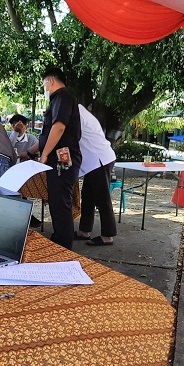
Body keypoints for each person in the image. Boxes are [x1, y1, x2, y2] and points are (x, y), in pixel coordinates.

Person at [36, 67, 82, 250]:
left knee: (61, 203)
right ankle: (59, 241)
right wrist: (33, 151)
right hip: (59, 160)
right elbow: (49, 132)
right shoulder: (61, 99)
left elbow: (59, 128)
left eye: (44, 84)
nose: (44, 89)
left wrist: (45, 154)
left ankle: (63, 246)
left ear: (51, 81)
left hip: (63, 160)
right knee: (56, 201)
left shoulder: (62, 97)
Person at [74, 104, 117, 245]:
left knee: (102, 197)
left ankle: (107, 235)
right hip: (93, 162)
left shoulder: (75, 112)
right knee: (87, 196)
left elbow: (67, 136)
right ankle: (84, 231)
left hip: (99, 160)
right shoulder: (78, 110)